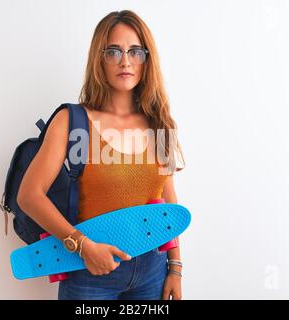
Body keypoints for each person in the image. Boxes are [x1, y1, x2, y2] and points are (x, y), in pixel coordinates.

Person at [17, 10, 186, 300]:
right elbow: (29, 196)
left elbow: (166, 200)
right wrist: (83, 247)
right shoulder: (72, 121)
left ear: (147, 59)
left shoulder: (158, 121)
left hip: (152, 270)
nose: (125, 61)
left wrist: (175, 267)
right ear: (100, 59)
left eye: (135, 51)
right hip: (90, 272)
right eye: (113, 51)